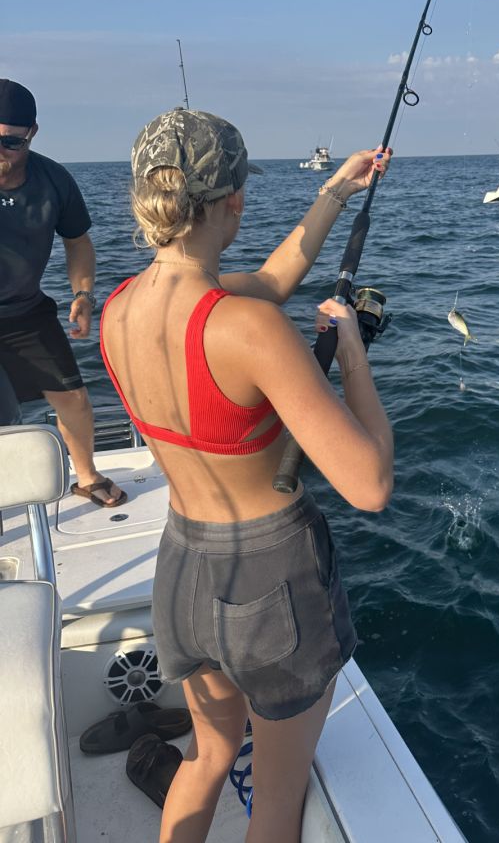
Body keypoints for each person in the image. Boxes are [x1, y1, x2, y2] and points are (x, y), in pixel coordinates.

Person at [99, 108, 394, 842]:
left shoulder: (118, 309)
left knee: (207, 758)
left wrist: (337, 191)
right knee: (275, 803)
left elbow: (269, 279)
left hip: (182, 573)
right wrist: (353, 356)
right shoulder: (248, 328)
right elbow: (369, 485)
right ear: (234, 202)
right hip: (272, 586)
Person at [0, 78, 126, 505]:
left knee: (73, 398)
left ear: (32, 133)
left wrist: (83, 296)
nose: (0, 151)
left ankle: (87, 476)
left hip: (25, 312)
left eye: (11, 142)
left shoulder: (53, 180)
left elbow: (78, 242)